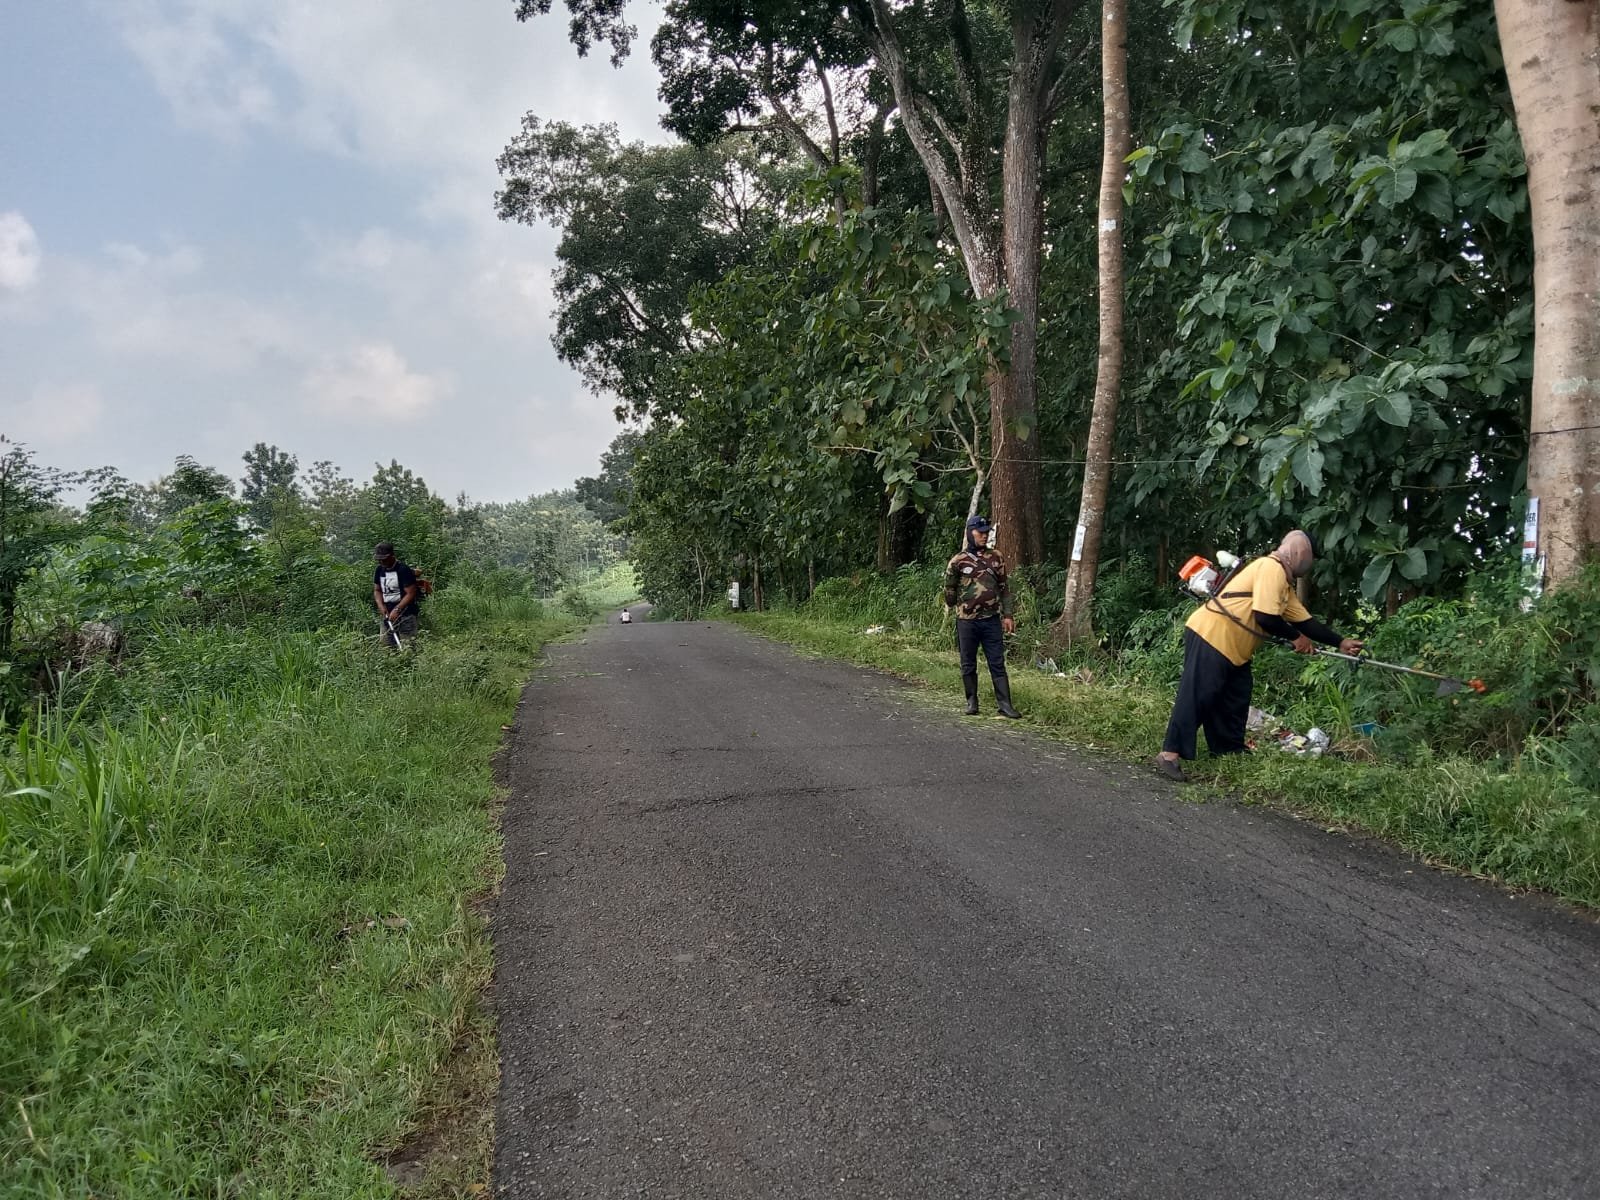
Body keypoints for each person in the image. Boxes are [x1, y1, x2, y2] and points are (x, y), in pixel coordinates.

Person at [1155, 529, 1363, 781]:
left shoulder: (1284, 586)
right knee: (1198, 695)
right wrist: (1296, 638)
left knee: (1235, 697)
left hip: (1235, 649)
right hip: (1212, 635)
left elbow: (1306, 622)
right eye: (1312, 558)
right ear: (1300, 554)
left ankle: (1228, 749)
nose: (1311, 565)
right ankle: (1169, 755)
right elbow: (1265, 616)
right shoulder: (1270, 567)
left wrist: (1340, 642)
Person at [942, 514, 1021, 719]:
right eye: (980, 533)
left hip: (991, 620)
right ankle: (972, 701)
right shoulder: (958, 561)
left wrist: (1008, 615)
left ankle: (1005, 704)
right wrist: (952, 600)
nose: (984, 537)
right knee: (968, 662)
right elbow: (949, 588)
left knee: (997, 661)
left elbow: (1004, 588)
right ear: (970, 533)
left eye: (986, 533)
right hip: (966, 621)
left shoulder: (996, 557)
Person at [373, 542, 421, 647]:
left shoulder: (403, 570)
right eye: (379, 559)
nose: (381, 561)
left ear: (392, 556)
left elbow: (411, 593)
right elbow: (377, 590)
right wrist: (381, 606)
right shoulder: (379, 570)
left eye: (384, 559)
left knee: (408, 646)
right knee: (386, 647)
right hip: (387, 615)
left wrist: (397, 609)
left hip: (406, 614)